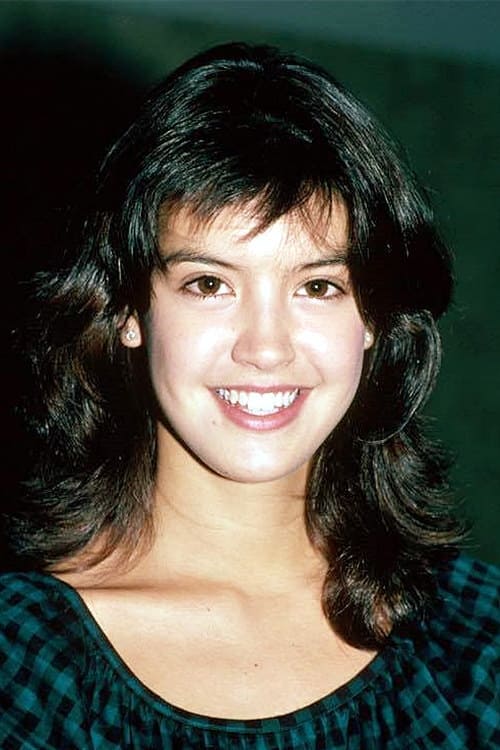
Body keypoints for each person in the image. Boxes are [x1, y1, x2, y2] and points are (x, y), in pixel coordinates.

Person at [0, 42, 498, 749]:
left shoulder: (477, 642)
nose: (266, 348)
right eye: (209, 284)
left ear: (374, 321)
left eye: (318, 286)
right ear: (128, 310)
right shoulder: (21, 660)